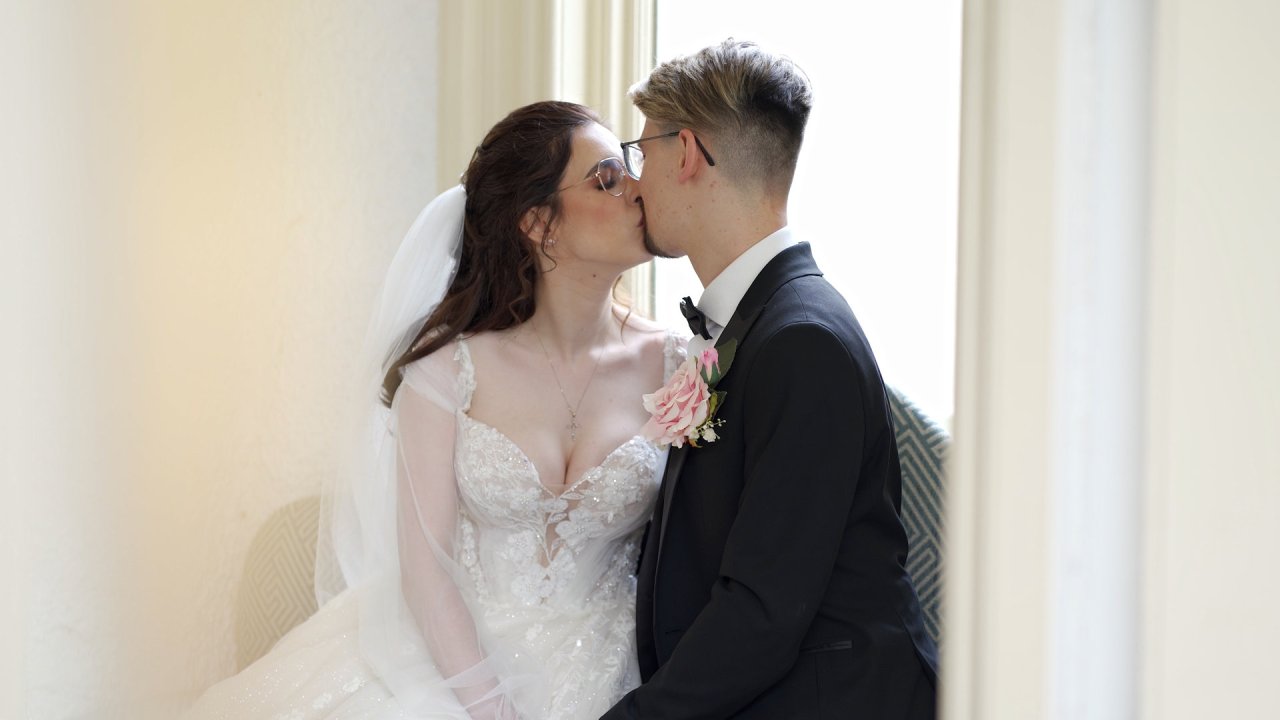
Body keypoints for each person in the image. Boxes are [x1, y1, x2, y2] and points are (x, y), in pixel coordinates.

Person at [184, 101, 681, 720]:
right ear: (539, 224)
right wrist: (495, 711)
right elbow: (425, 575)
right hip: (454, 666)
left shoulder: (682, 366)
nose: (637, 189)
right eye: (606, 178)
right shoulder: (448, 370)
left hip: (617, 671)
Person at [601, 40, 939, 719]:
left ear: (685, 152)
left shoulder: (801, 340)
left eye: (640, 154)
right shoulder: (755, 321)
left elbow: (763, 610)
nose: (634, 183)